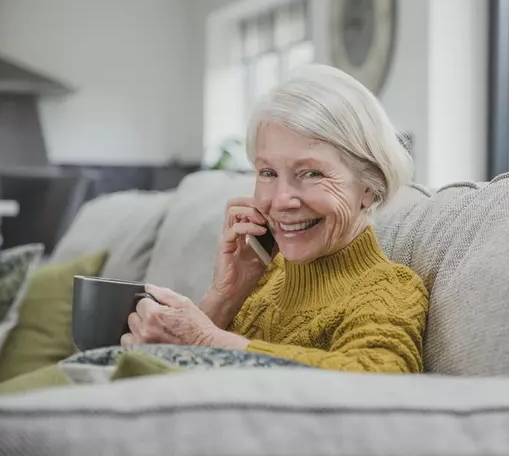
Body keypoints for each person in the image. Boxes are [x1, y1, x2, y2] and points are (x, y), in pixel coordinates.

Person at [121, 64, 429, 373]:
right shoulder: (262, 277)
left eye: (311, 173)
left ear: (369, 186)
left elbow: (380, 381)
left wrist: (206, 339)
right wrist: (223, 298)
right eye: (268, 173)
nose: (281, 201)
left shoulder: (390, 288)